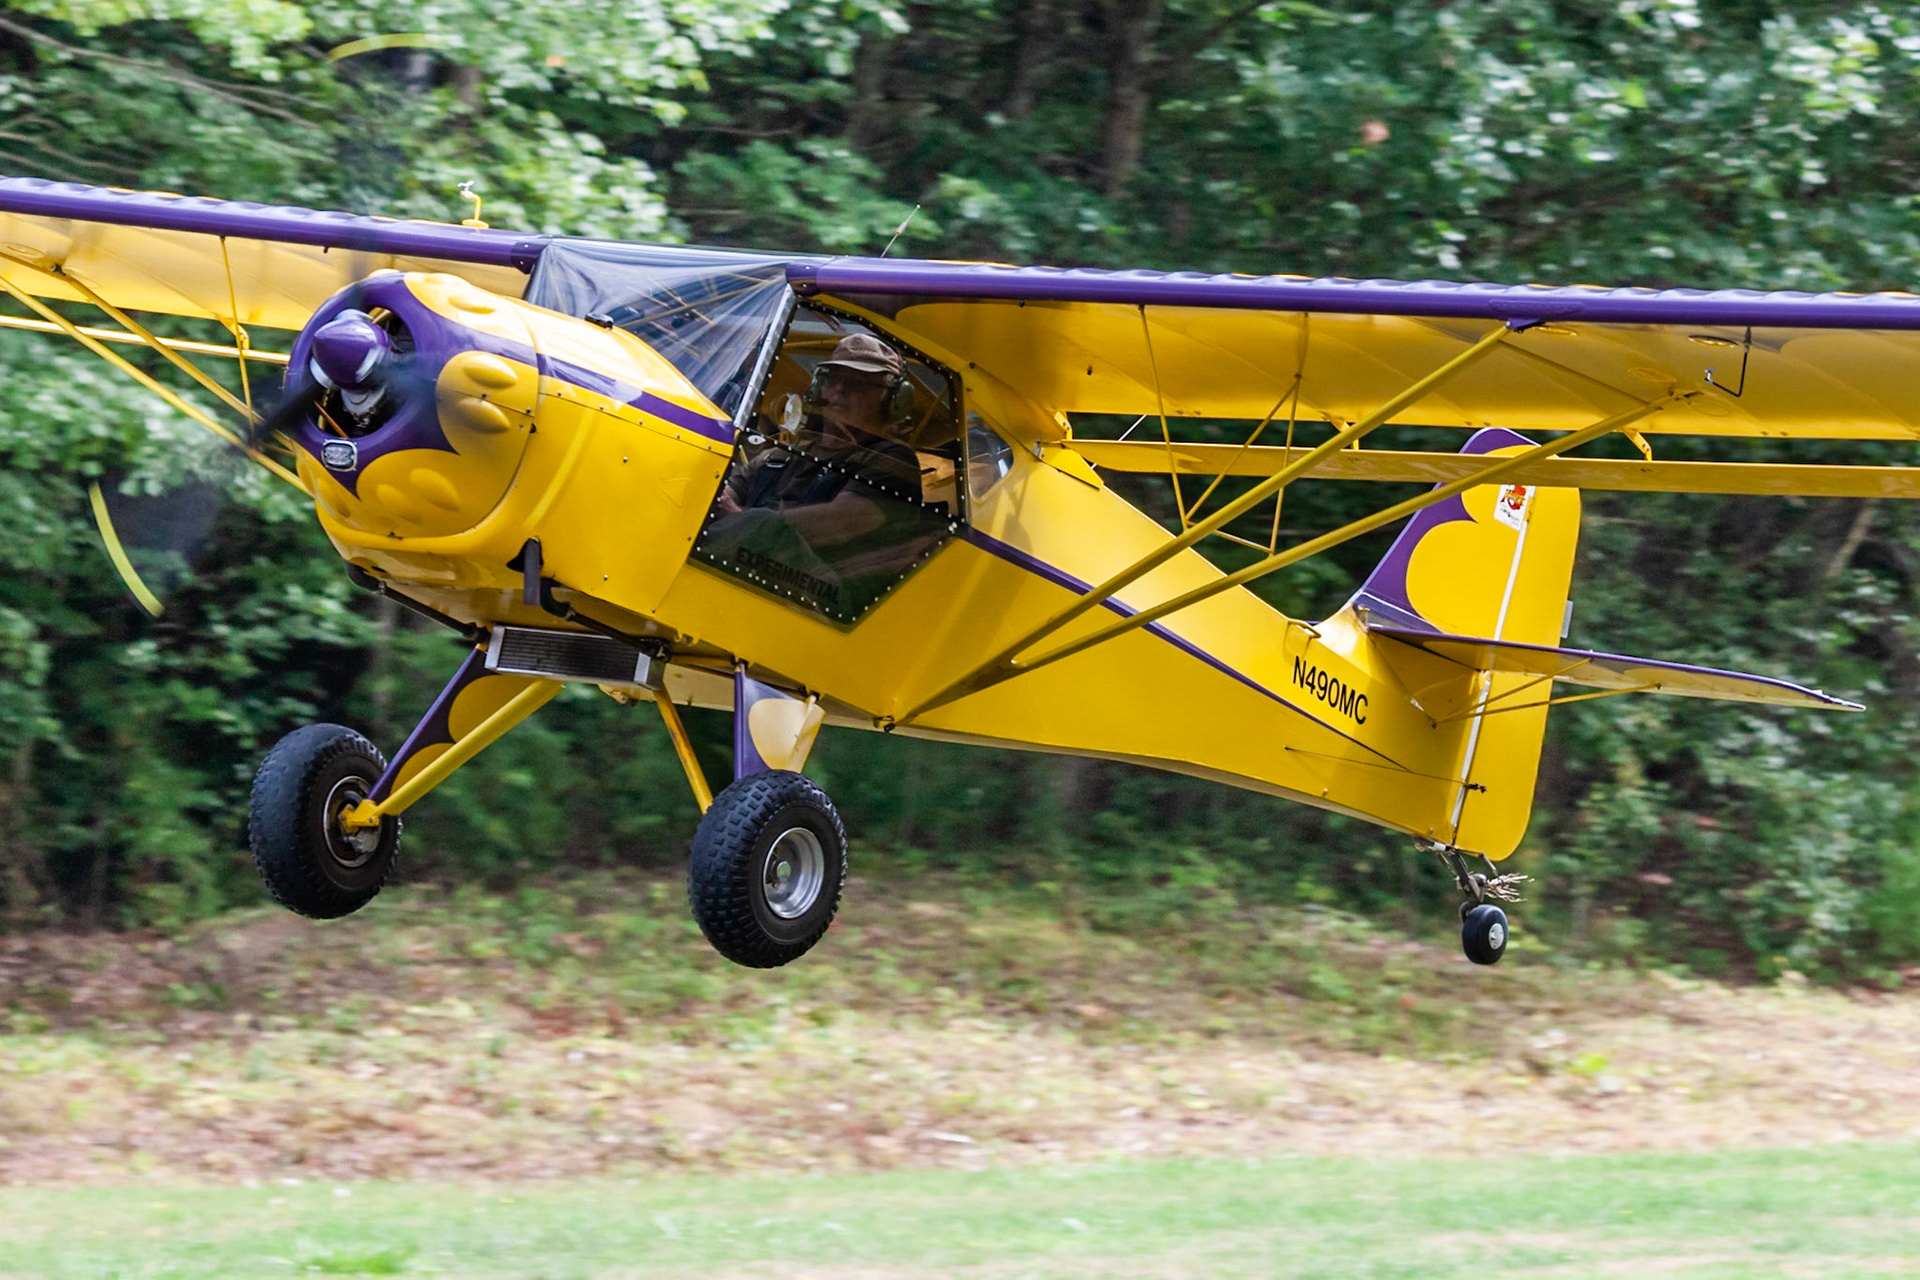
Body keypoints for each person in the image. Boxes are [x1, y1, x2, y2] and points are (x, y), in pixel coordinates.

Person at [702, 331, 936, 616]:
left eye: (857, 384)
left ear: (893, 400)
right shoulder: (779, 455)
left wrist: (742, 522)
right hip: (757, 581)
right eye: (830, 379)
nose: (839, 390)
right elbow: (717, 494)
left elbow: (839, 524)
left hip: (829, 605)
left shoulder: (892, 459)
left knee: (766, 527)